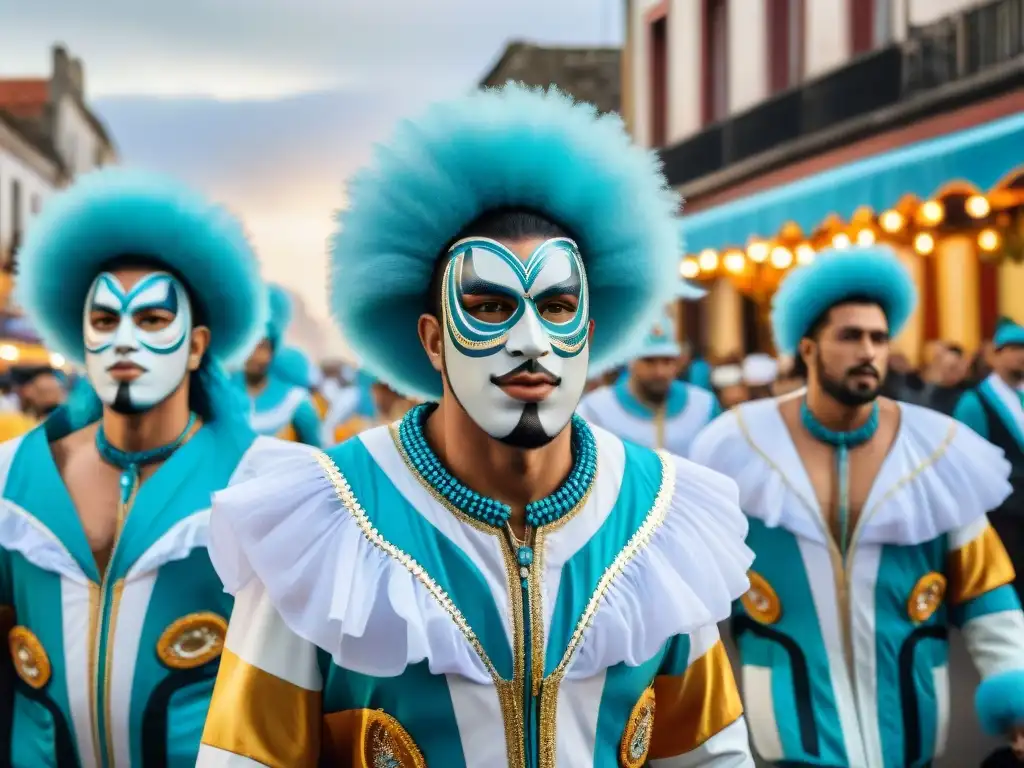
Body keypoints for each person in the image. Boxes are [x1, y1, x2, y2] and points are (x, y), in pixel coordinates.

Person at [197, 83, 754, 767]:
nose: (530, 340)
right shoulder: (322, 523)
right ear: (431, 340)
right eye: (489, 307)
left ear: (591, 332)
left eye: (556, 307)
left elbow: (707, 756)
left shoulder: (659, 518)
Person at [691, 246, 1024, 766]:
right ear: (807, 349)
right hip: (792, 740)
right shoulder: (735, 450)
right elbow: (686, 603)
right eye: (850, 336)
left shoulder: (937, 452)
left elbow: (986, 595)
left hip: (911, 738)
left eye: (878, 337)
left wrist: (1017, 700)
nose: (868, 350)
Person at [0, 168, 274, 767]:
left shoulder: (265, 483)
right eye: (105, 321)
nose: (124, 340)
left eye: (151, 320)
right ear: (82, 339)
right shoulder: (11, 480)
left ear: (197, 345)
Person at [577, 311, 721, 457]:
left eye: (667, 360)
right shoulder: (595, 408)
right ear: (629, 359)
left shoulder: (703, 405)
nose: (660, 371)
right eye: (649, 361)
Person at [954, 317, 1024, 604]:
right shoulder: (975, 401)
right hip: (1001, 517)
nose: (1021, 355)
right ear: (994, 355)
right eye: (1014, 348)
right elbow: (967, 465)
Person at [236, 284, 321, 445]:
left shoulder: (295, 401)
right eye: (248, 346)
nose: (253, 355)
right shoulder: (220, 396)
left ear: (272, 351)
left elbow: (319, 457)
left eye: (261, 347)